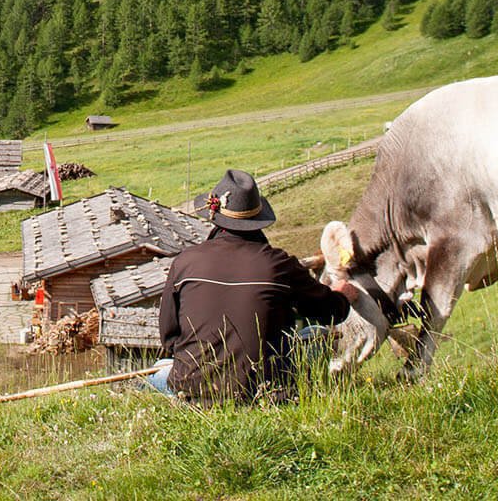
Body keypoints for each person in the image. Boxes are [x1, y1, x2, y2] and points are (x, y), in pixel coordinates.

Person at [151, 168, 360, 403]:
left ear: (213, 217)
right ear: (258, 219)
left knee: (159, 370)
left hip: (192, 389)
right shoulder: (279, 264)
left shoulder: (185, 261)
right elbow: (331, 312)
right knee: (317, 335)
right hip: (263, 390)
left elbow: (169, 337)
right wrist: (343, 295)